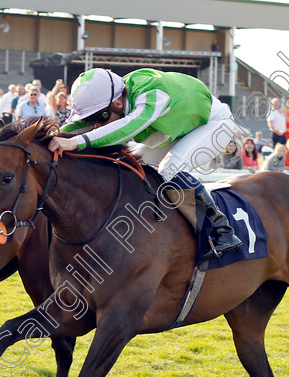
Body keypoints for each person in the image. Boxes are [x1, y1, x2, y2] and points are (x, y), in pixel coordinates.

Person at [49, 68, 242, 260]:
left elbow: (127, 127)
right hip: (179, 128)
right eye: (92, 119)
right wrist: (46, 138)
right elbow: (76, 128)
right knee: (135, 168)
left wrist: (77, 142)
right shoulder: (112, 98)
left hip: (214, 125)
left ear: (117, 103)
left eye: (100, 118)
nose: (96, 124)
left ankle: (221, 230)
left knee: (170, 169)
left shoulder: (152, 92)